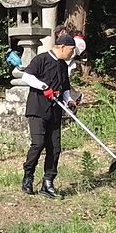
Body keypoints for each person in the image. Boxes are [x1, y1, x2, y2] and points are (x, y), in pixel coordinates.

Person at [20, 33, 83, 198]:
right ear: (62, 47)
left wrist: (69, 100)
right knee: (38, 143)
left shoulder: (63, 65)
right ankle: (28, 175)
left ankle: (48, 182)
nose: (72, 53)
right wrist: (43, 87)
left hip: (55, 111)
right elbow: (27, 76)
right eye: (71, 50)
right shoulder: (41, 59)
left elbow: (65, 88)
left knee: (55, 148)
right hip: (37, 109)